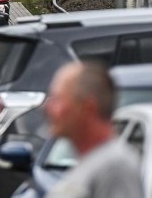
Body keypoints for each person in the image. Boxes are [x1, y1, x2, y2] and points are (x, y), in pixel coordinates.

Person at [44, 62, 143, 198]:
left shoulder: (113, 168)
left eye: (57, 100)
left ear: (87, 108)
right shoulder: (92, 163)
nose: (47, 108)